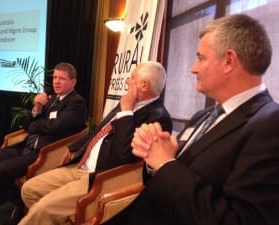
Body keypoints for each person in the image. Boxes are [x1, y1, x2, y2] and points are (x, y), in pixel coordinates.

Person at [103, 14, 279, 225]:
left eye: (201, 58)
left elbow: (238, 220)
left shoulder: (270, 124)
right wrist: (154, 156)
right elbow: (170, 178)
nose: (193, 68)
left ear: (229, 61)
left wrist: (166, 163)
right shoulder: (202, 116)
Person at [17, 61, 173, 225]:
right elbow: (98, 130)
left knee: (42, 209)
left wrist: (127, 112)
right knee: (29, 189)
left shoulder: (158, 118)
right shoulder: (130, 101)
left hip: (100, 177)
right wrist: (74, 147)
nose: (127, 82)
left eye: (132, 78)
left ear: (143, 84)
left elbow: (125, 154)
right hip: (81, 165)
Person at [0, 62, 87, 223]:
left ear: (73, 82)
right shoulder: (51, 100)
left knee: (1, 170)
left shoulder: (75, 102)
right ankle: (14, 198)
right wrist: (36, 107)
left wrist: (35, 125)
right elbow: (25, 124)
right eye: (55, 77)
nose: (56, 82)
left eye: (62, 79)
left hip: (42, 153)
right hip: (25, 147)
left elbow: (56, 127)